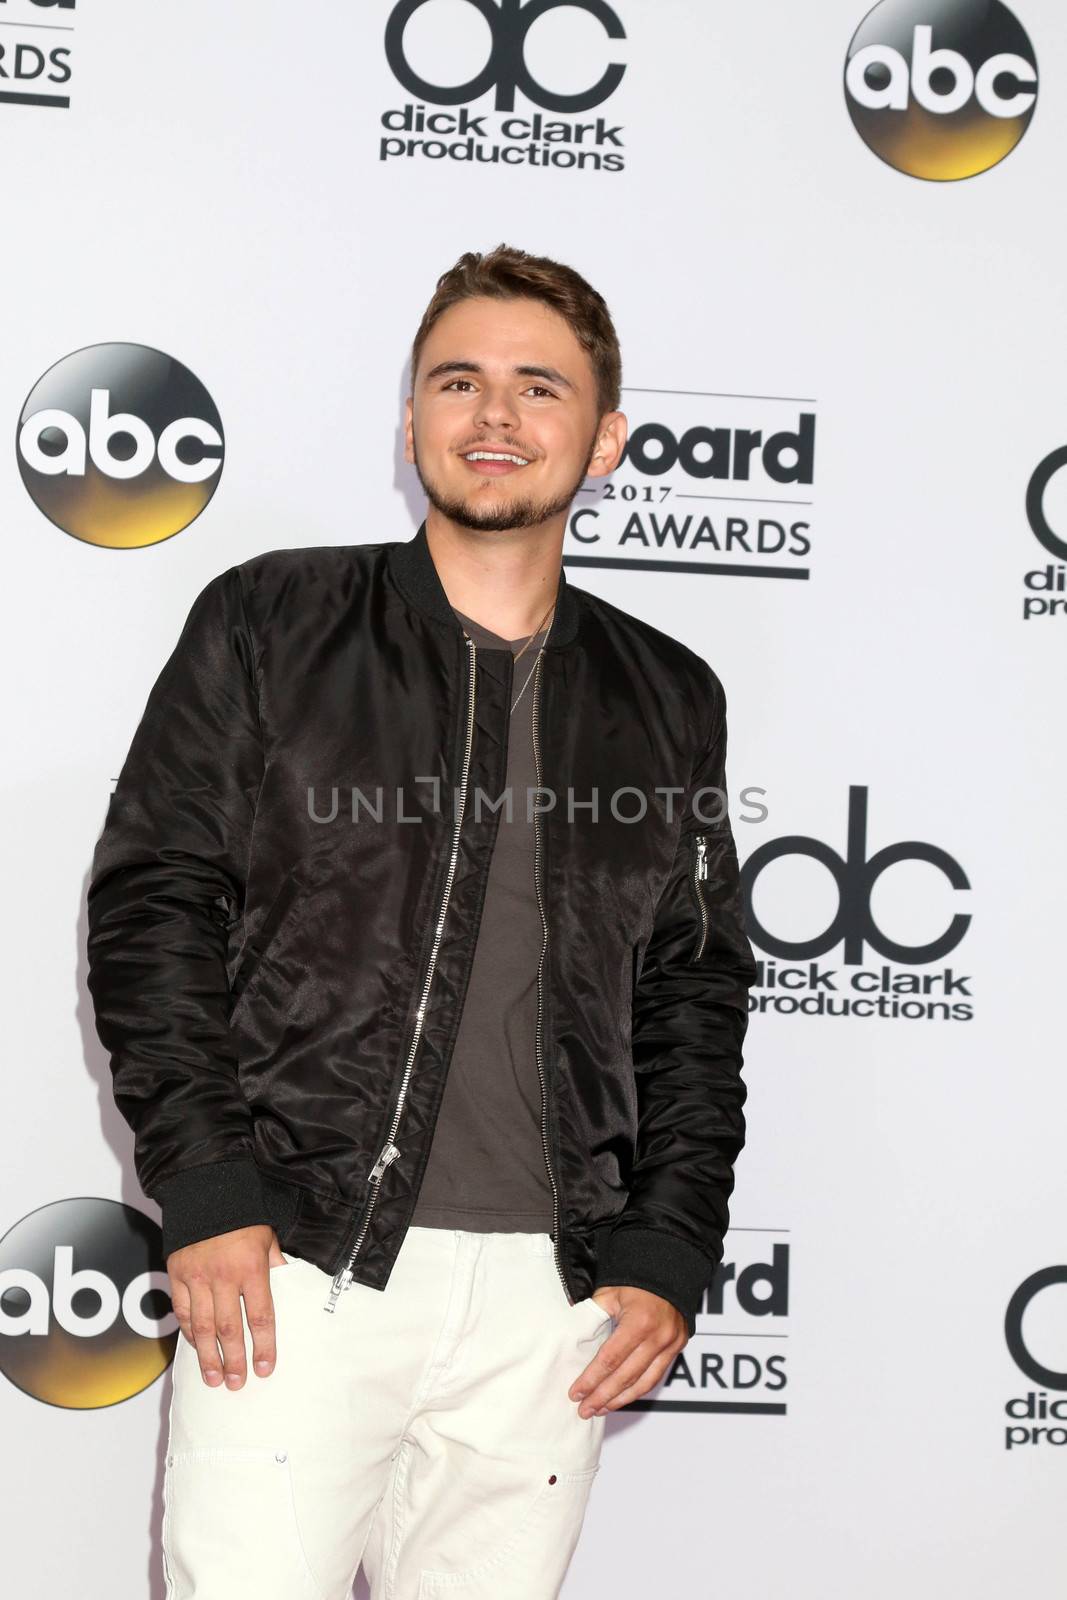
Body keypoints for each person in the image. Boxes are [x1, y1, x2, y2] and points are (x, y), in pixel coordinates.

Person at [86, 243, 757, 1599]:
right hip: (300, 1264)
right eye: (457, 382)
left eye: (539, 388)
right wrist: (210, 1190)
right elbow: (155, 901)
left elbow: (692, 988)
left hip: (548, 1306)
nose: (494, 416)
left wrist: (670, 1243)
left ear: (607, 438)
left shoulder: (668, 692)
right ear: (410, 424)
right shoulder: (273, 620)